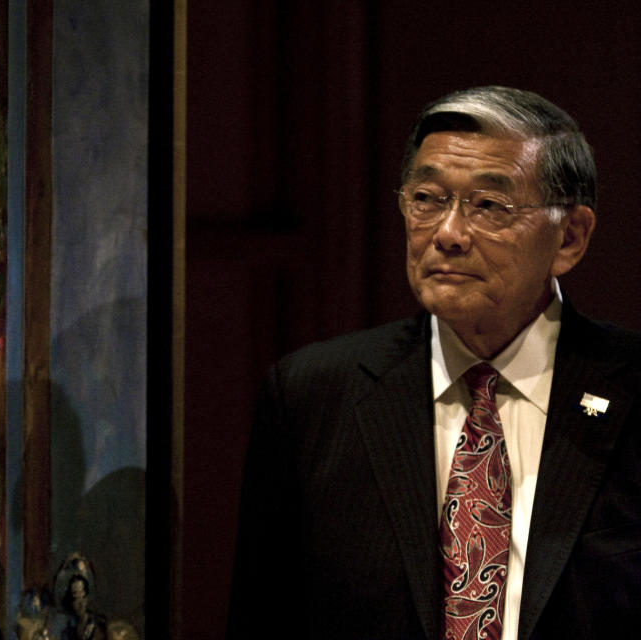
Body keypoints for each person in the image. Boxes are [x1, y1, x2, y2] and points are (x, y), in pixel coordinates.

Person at [228, 86, 641, 640]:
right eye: (427, 198)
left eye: (489, 206)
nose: (447, 234)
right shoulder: (312, 395)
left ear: (569, 237)